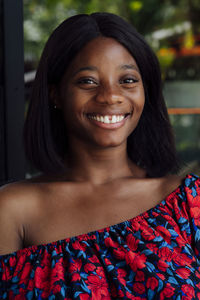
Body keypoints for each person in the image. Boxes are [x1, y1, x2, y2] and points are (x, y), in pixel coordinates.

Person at [0, 12, 200, 299]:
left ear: (147, 91)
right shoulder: (12, 210)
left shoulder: (188, 203)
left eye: (128, 80)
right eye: (88, 82)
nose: (110, 96)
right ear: (56, 94)